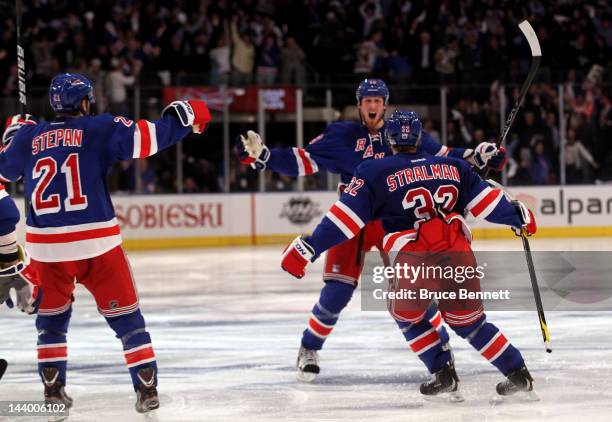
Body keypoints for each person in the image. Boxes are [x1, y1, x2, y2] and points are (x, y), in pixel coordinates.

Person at [236, 78, 507, 382]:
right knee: (337, 291)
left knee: (414, 285)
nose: (373, 105)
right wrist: (265, 157)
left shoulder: (405, 132)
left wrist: (479, 155)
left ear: (385, 104)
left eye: (378, 100)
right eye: (368, 100)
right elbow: (303, 160)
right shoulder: (343, 134)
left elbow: (446, 157)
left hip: (396, 220)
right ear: (359, 105)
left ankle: (439, 347)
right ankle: (309, 347)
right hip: (353, 218)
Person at [280, 110, 537, 399]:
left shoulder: (373, 171)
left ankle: (442, 372)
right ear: (420, 137)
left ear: (389, 138)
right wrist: (521, 218)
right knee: (470, 322)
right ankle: (518, 373)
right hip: (457, 254)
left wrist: (309, 247)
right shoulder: (453, 168)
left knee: (406, 314)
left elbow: (344, 221)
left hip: (415, 260)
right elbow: (492, 206)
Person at [0, 73, 210, 412]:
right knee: (128, 320)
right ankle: (146, 388)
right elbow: (150, 138)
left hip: (46, 248)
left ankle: (53, 392)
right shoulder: (98, 127)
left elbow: (4, 172)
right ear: (84, 102)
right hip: (97, 242)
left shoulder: (29, 137)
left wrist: (11, 138)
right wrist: (185, 115)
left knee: (51, 324)